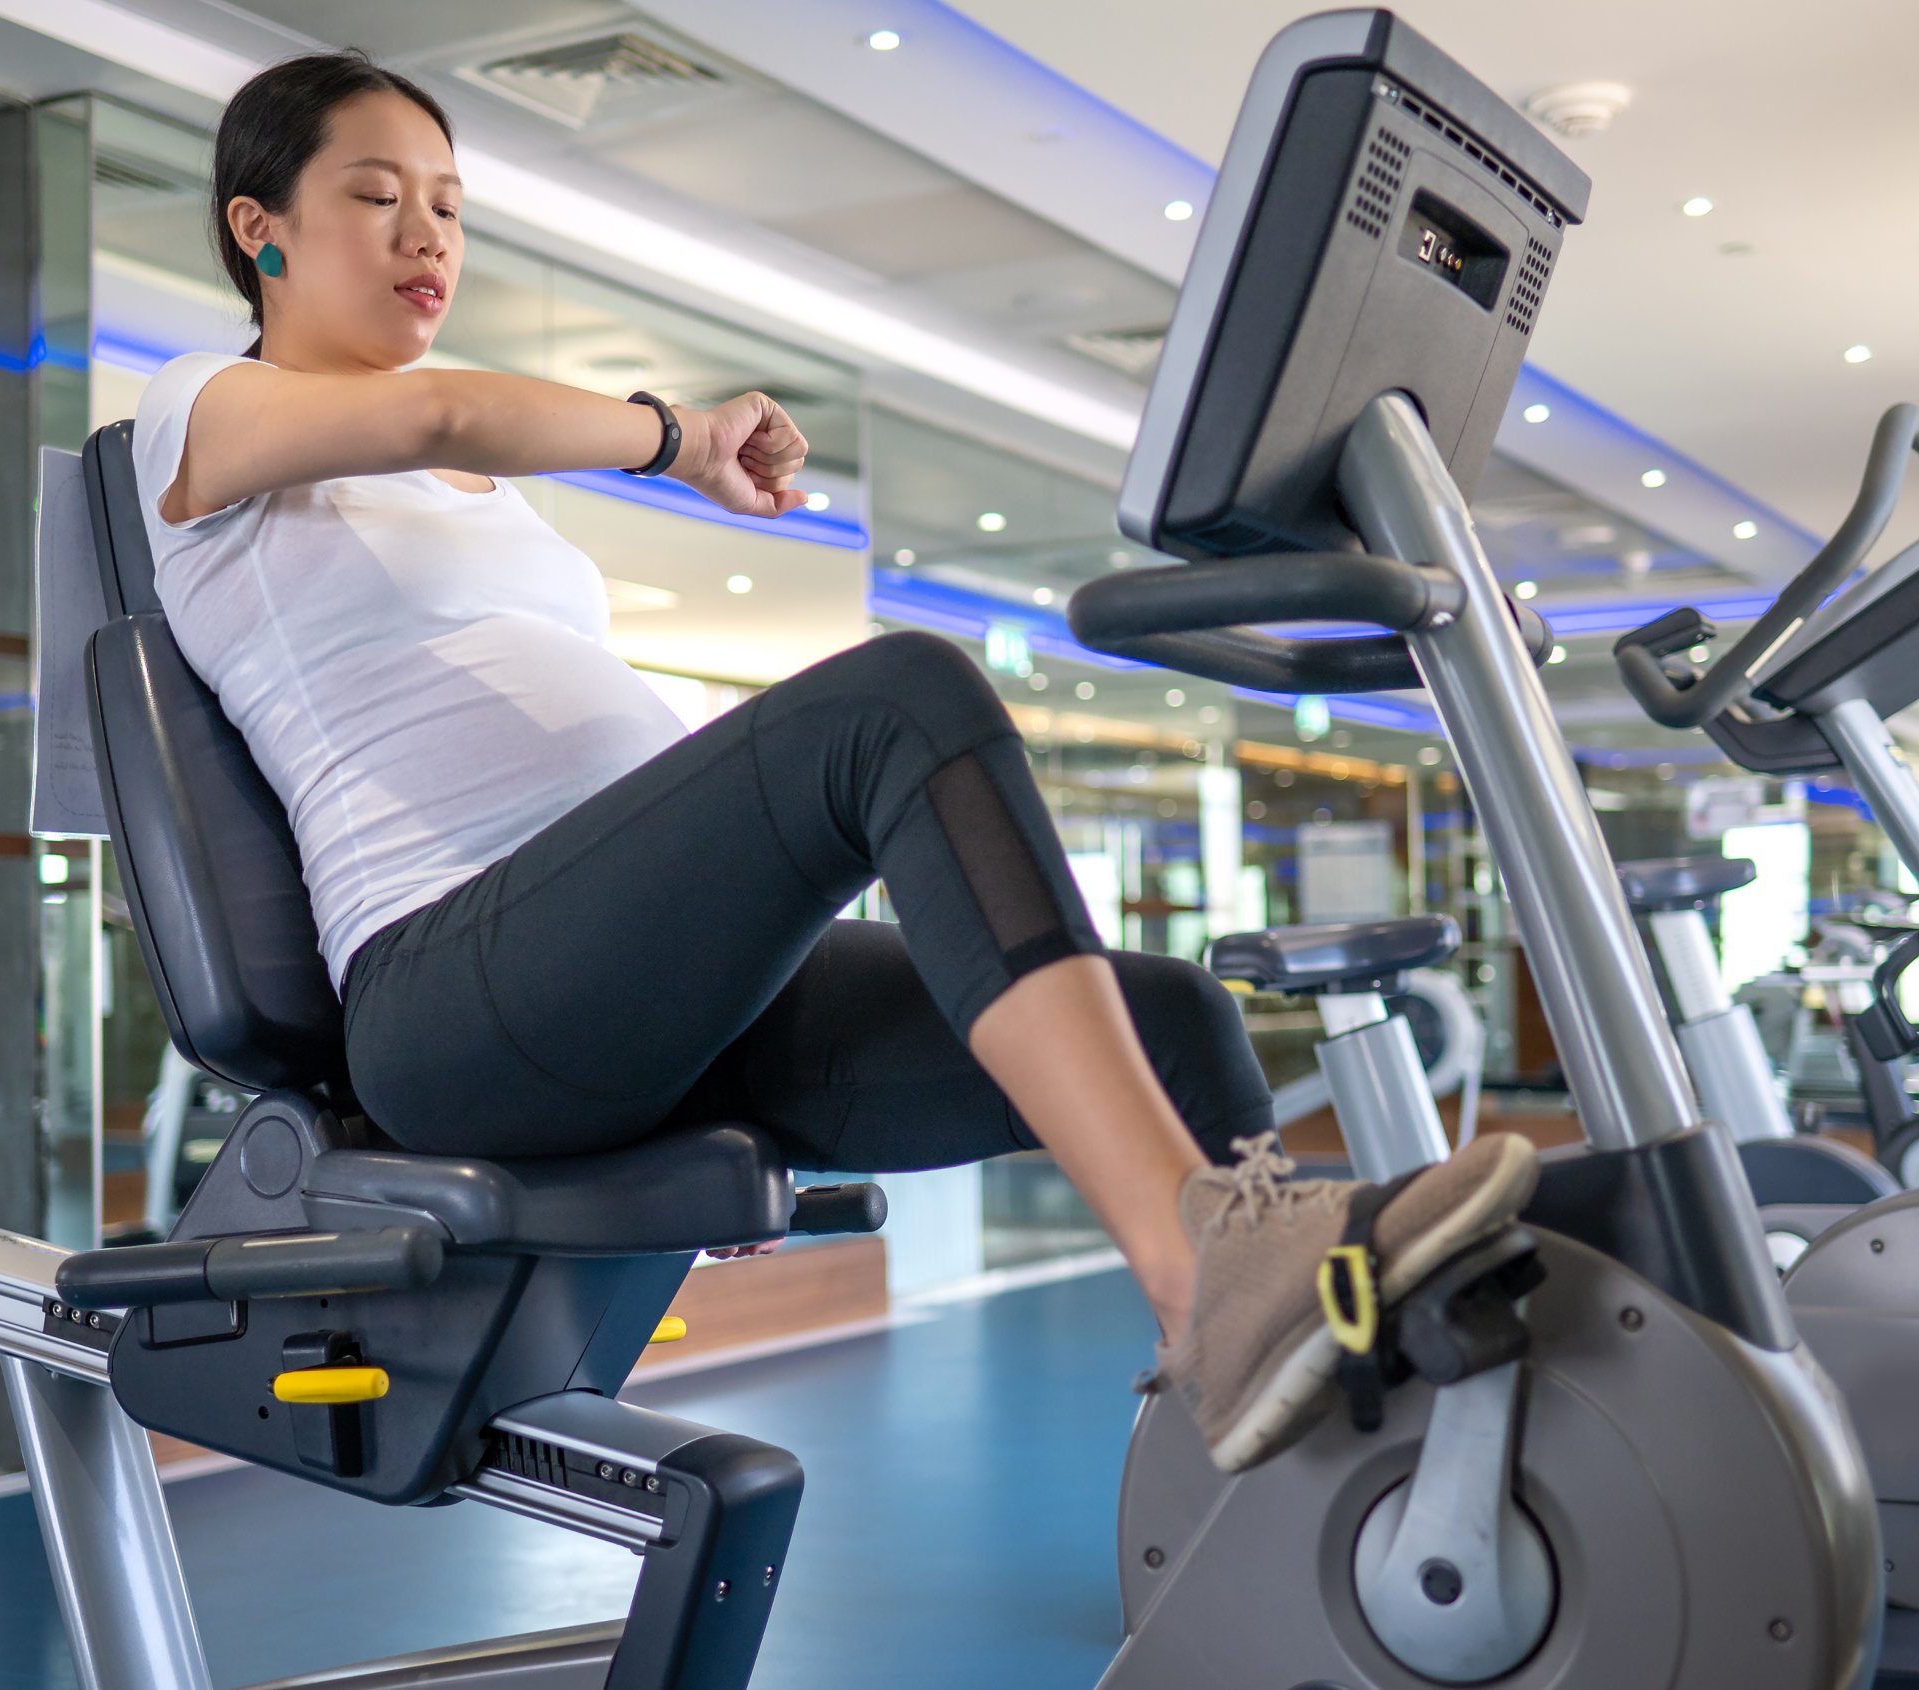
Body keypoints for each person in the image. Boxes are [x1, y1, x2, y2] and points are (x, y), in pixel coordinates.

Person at [131, 50, 1533, 1474]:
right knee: (895, 701)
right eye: (376, 197)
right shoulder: (200, 416)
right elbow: (434, 411)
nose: (427, 234)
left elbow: (463, 472)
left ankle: (1323, 1494)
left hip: (642, 990)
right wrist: (675, 437)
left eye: (447, 202)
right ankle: (1208, 1289)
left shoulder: (488, 504)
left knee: (1173, 1024)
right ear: (262, 230)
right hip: (452, 995)